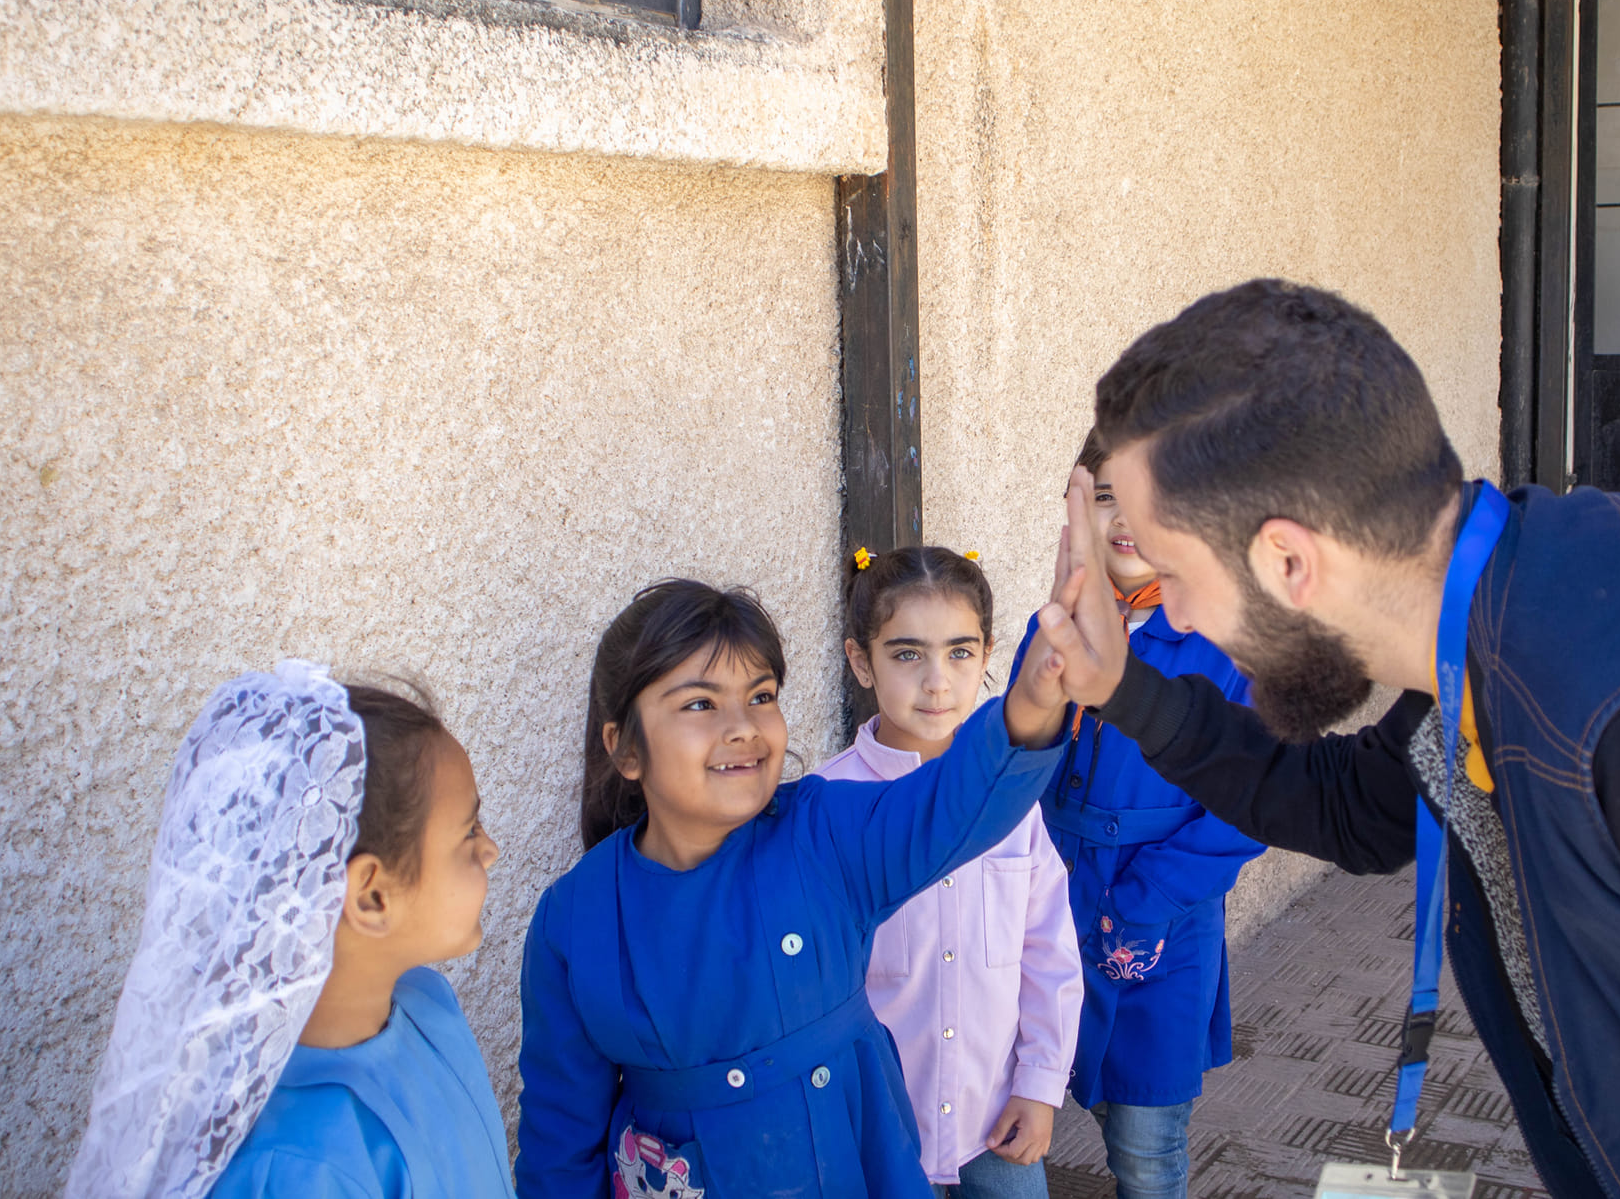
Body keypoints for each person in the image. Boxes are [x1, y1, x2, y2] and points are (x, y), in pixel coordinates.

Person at [1028, 278, 1620, 1199]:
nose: (1180, 618)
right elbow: (1345, 807)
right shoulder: (1495, 627)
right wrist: (1120, 684)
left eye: (1175, 572)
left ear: (1287, 558)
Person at [514, 578, 1075, 1199]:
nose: (742, 728)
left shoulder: (824, 833)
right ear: (625, 749)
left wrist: (1036, 690)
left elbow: (949, 807)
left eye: (760, 696)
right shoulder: (575, 919)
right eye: (701, 704)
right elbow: (559, 1143)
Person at [67, 662, 513, 1199]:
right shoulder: (298, 1170)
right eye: (469, 833)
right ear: (371, 896)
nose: (490, 850)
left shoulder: (427, 1003)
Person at [1007, 436, 1265, 1199]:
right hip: (1049, 898)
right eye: (1109, 496)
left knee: (1148, 1146)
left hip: (1164, 911)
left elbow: (1245, 806)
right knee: (1016, 1105)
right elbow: (1019, 751)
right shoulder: (1053, 624)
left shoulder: (1226, 645)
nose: (1129, 521)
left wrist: (1145, 900)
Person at [816, 545, 1082, 1198]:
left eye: (959, 652)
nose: (937, 681)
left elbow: (1047, 948)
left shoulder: (1010, 802)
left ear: (988, 654)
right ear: (861, 659)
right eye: (908, 653)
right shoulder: (826, 807)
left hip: (993, 1116)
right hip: (876, 1131)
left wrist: (1040, 1086)